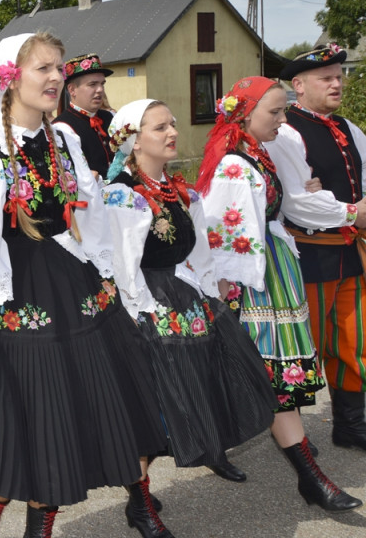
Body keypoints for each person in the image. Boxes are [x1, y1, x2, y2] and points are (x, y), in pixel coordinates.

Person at [0, 34, 168, 538]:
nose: (55, 77)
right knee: (44, 420)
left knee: (102, 398)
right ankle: (10, 515)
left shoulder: (64, 139)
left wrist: (112, 272)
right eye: (43, 68)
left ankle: (125, 505)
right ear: (9, 79)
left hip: (75, 279)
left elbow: (88, 213)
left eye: (58, 68)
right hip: (20, 293)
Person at [197, 76, 361, 511]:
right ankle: (306, 476)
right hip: (253, 282)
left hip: (270, 269)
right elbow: (228, 239)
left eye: (284, 109)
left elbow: (275, 207)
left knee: (272, 382)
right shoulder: (235, 166)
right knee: (263, 377)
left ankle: (310, 478)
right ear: (244, 114)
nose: (282, 119)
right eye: (274, 111)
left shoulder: (255, 154)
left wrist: (300, 193)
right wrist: (236, 299)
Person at [103, 98, 277, 486]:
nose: (173, 133)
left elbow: (199, 251)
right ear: (133, 140)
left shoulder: (179, 190)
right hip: (147, 300)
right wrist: (144, 315)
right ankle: (140, 502)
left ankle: (211, 445)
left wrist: (211, 290)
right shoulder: (123, 195)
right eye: (160, 128)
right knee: (154, 403)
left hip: (183, 291)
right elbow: (122, 265)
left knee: (209, 374)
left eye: (173, 124)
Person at [263, 44, 366, 453]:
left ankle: (351, 425)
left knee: (354, 340)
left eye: (339, 75)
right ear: (299, 86)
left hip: (350, 254)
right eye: (327, 77)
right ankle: (297, 439)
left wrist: (344, 207)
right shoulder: (286, 132)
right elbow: (297, 200)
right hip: (309, 255)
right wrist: (350, 211)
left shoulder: (350, 128)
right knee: (306, 346)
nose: (337, 83)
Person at [52, 53, 116, 179]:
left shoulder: (109, 117)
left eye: (102, 84)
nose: (100, 90)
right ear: (72, 90)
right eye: (92, 85)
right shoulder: (62, 128)